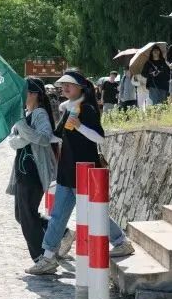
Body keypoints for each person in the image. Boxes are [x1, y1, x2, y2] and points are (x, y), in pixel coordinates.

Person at [26, 70, 135, 275]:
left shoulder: (87, 109)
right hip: (66, 172)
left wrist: (80, 126)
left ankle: (121, 242)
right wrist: (33, 133)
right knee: (57, 216)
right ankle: (48, 258)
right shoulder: (68, 108)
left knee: (94, 212)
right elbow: (57, 137)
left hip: (85, 171)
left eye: (69, 84)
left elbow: (99, 138)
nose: (65, 88)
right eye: (63, 85)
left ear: (80, 87)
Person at [7, 77, 58, 262]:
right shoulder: (24, 114)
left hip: (33, 173)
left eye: (25, 92)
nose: (21, 95)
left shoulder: (39, 114)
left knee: (27, 217)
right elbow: (12, 141)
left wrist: (22, 128)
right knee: (21, 215)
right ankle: (58, 233)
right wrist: (24, 135)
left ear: (34, 94)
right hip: (21, 173)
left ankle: (42, 258)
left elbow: (44, 138)